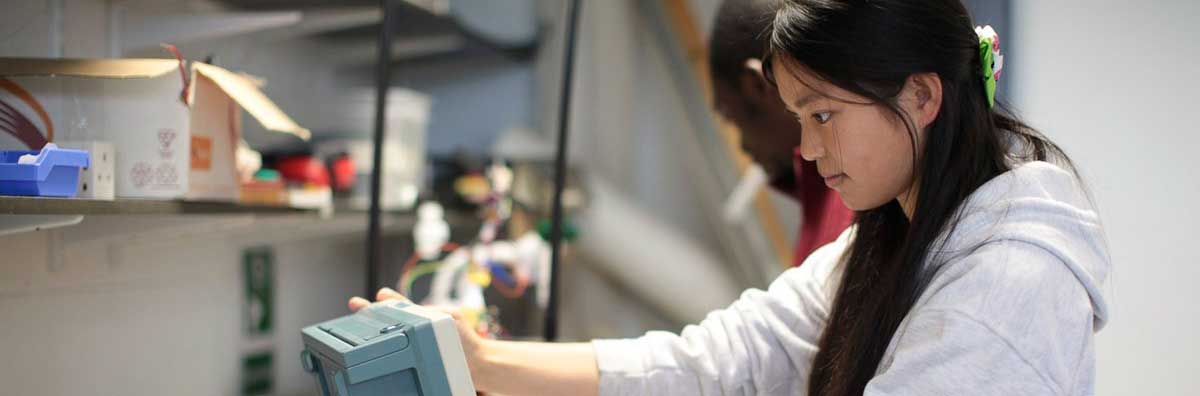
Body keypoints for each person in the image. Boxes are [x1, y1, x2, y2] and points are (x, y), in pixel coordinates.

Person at [350, 0, 1112, 394]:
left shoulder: (1010, 289)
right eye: (799, 120)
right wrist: (485, 361)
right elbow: (730, 357)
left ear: (921, 95)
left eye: (822, 116)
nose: (807, 151)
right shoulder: (897, 232)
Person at [709, 0, 854, 265]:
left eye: (733, 118)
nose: (742, 146)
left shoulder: (850, 207)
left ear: (757, 85)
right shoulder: (831, 193)